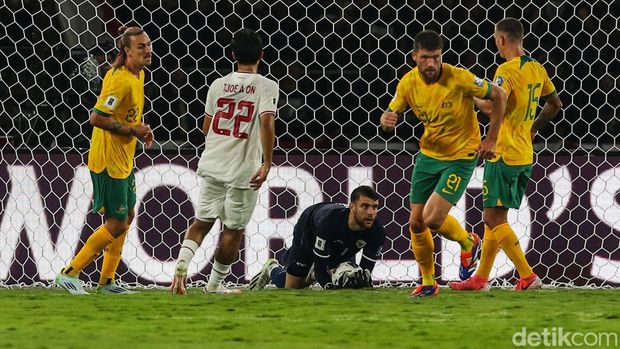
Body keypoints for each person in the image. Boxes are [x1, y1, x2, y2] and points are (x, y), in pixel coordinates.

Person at [380, 30, 507, 298]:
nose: (431, 64)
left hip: (461, 157)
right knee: (416, 223)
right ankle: (428, 283)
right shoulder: (407, 84)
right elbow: (391, 113)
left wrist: (491, 139)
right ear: (415, 56)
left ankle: (467, 241)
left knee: (432, 218)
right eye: (425, 57)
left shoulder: (458, 77)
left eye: (436, 58)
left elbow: (499, 95)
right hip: (429, 156)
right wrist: (386, 121)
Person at [450, 18, 562, 292]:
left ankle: (527, 276)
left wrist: (469, 92)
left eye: (495, 39)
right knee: (496, 217)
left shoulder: (506, 70)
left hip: (503, 153)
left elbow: (490, 107)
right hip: (524, 154)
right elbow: (555, 104)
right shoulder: (537, 68)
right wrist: (533, 128)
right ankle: (480, 279)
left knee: (492, 218)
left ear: (501, 39)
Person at [170, 29, 278, 295]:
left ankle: (181, 268)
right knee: (233, 229)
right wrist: (266, 163)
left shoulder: (217, 84)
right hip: (243, 170)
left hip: (213, 163)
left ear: (232, 55)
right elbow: (266, 121)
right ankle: (214, 286)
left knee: (201, 222)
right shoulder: (266, 85)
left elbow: (206, 126)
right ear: (262, 56)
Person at [55, 25, 154, 295]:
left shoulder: (138, 74)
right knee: (116, 223)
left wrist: (139, 127)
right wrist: (133, 130)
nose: (148, 50)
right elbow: (96, 118)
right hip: (108, 160)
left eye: (148, 45)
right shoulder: (120, 79)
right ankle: (70, 273)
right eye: (141, 47)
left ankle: (107, 282)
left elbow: (125, 115)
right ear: (127, 51)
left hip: (123, 158)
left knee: (127, 214)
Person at [249, 185, 385, 290]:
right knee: (292, 288)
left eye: (375, 207)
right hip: (309, 230)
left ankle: (311, 274)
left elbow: (366, 272)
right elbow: (321, 271)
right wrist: (331, 288)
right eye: (365, 206)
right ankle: (271, 268)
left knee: (347, 278)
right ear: (352, 207)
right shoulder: (329, 222)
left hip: (339, 243)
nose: (371, 212)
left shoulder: (377, 231)